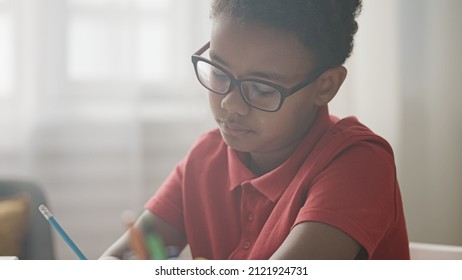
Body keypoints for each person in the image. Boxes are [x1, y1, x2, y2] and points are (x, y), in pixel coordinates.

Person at [100, 0, 409, 260]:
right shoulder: (205, 158)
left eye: (261, 88)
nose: (230, 104)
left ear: (325, 86)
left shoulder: (359, 163)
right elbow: (122, 257)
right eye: (219, 72)